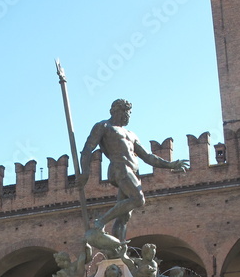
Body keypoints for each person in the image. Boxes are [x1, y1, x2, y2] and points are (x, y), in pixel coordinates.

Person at [77, 99, 189, 246]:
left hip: (133, 172)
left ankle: (119, 250)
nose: (129, 116)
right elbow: (87, 149)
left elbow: (148, 156)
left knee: (123, 217)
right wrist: (85, 172)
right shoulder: (104, 126)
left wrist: (170, 164)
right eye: (127, 112)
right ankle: (101, 221)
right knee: (138, 199)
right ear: (118, 110)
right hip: (120, 169)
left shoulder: (131, 134)